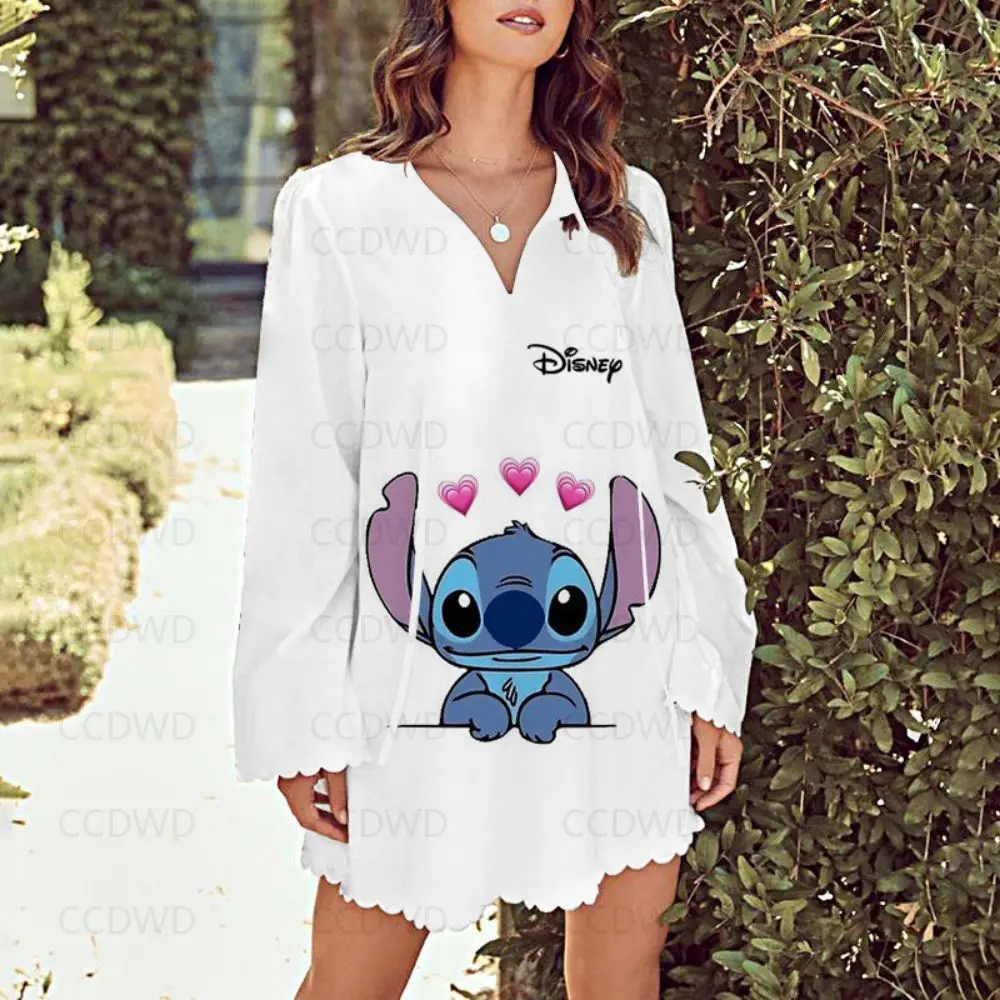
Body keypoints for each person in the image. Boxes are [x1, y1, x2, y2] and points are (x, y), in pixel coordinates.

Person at [231, 1, 757, 997]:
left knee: (620, 974)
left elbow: (673, 457)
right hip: (408, 687)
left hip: (622, 675)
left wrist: (707, 664)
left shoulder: (622, 210)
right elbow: (306, 476)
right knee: (349, 980)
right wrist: (301, 712)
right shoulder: (338, 212)